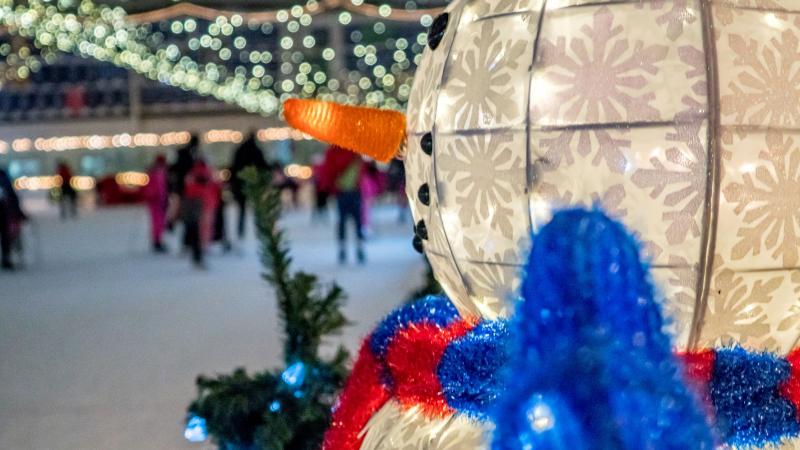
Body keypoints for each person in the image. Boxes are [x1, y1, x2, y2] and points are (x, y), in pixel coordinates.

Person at [319, 145, 366, 264]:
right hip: (349, 192)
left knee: (344, 222)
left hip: (346, 192)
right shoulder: (355, 151)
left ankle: (346, 250)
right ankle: (356, 249)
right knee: (355, 222)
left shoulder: (334, 152)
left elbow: (328, 171)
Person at [229, 131, 267, 239]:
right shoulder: (257, 150)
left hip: (240, 183)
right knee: (257, 209)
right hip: (254, 183)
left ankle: (241, 231)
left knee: (242, 210)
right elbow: (263, 166)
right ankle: (260, 231)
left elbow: (233, 167)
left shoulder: (240, 150)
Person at [182, 160, 219, 269]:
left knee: (199, 228)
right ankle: (203, 247)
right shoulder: (207, 173)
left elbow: (188, 190)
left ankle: (200, 249)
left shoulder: (193, 174)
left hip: (198, 204)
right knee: (204, 227)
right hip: (204, 203)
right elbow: (215, 187)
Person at [0, 168, 25, 270]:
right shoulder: (4, 179)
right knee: (5, 236)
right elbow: (13, 197)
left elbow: (12, 197)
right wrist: (19, 212)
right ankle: (6, 258)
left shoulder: (4, 179)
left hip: (4, 213)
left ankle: (6, 258)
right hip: (4, 213)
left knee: (5, 236)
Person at [144, 155, 169, 253]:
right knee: (157, 222)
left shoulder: (159, 172)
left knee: (160, 222)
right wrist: (155, 196)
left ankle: (158, 240)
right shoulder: (156, 173)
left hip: (160, 201)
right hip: (156, 201)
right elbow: (155, 188)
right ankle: (157, 241)